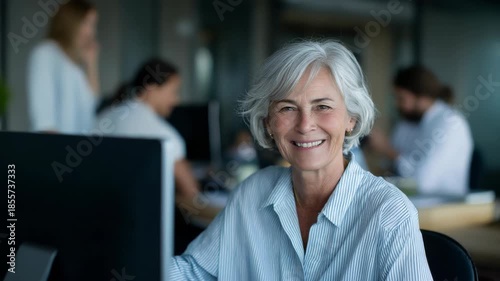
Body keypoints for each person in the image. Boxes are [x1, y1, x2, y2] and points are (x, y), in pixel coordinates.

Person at [169, 40, 432, 280]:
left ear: (351, 118)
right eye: (287, 108)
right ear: (268, 122)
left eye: (323, 106)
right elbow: (194, 273)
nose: (305, 125)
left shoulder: (389, 213)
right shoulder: (251, 194)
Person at [95, 58, 220, 223]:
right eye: (173, 92)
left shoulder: (104, 116)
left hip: (97, 218)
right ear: (151, 88)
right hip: (141, 225)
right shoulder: (165, 135)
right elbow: (192, 195)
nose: (177, 100)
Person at [370, 65, 473, 196]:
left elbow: (422, 182)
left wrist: (387, 149)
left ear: (422, 97)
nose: (397, 104)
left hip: (442, 206)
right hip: (409, 200)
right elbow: (389, 169)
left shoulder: (449, 123)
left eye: (401, 98)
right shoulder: (408, 122)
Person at [27, 0, 99, 134]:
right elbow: (44, 121)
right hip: (54, 150)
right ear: (71, 23)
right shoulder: (45, 54)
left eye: (93, 25)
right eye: (87, 23)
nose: (91, 32)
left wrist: (91, 64)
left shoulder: (75, 67)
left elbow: (91, 104)